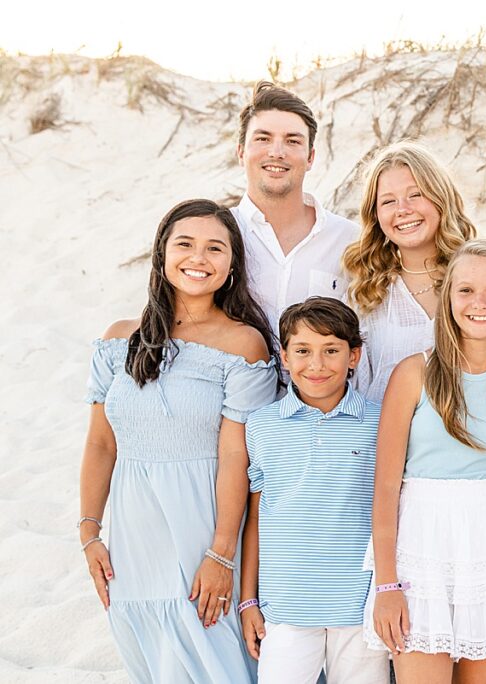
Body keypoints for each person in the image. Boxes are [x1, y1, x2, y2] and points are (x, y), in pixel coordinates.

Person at [79, 199, 279, 683]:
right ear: (162, 254)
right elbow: (102, 446)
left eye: (216, 248)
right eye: (185, 244)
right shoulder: (117, 339)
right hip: (133, 538)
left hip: (202, 529)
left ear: (232, 266)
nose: (199, 257)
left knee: (217, 655)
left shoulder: (243, 343)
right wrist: (89, 533)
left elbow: (237, 455)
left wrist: (220, 553)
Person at [364, 239, 486, 684]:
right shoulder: (414, 373)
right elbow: (387, 486)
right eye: (465, 291)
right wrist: (388, 585)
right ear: (447, 299)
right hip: (419, 548)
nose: (479, 304)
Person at [238, 297, 388, 683]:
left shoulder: (381, 421)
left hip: (358, 605)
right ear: (284, 358)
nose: (317, 364)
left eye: (331, 351)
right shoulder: (261, 426)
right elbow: (256, 516)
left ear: (353, 356)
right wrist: (249, 598)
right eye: (303, 351)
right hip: (285, 604)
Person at [342, 141, 476, 402]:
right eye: (388, 201)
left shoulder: (481, 277)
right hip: (383, 438)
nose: (403, 210)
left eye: (415, 195)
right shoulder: (366, 294)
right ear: (376, 215)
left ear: (440, 197)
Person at [233, 81, 359, 337]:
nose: (277, 152)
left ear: (310, 157)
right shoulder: (219, 235)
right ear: (240, 153)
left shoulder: (349, 240)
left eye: (292, 141)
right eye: (263, 138)